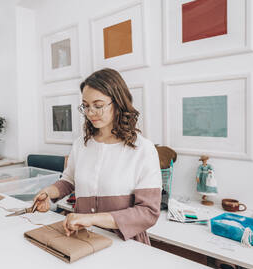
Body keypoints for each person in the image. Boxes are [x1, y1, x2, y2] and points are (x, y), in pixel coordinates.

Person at [33, 68, 162, 245]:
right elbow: (68, 181)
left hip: (125, 246)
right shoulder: (81, 144)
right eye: (85, 106)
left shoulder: (143, 149)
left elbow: (148, 212)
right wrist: (48, 193)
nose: (90, 112)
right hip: (83, 241)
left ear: (118, 103)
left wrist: (92, 219)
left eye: (98, 106)